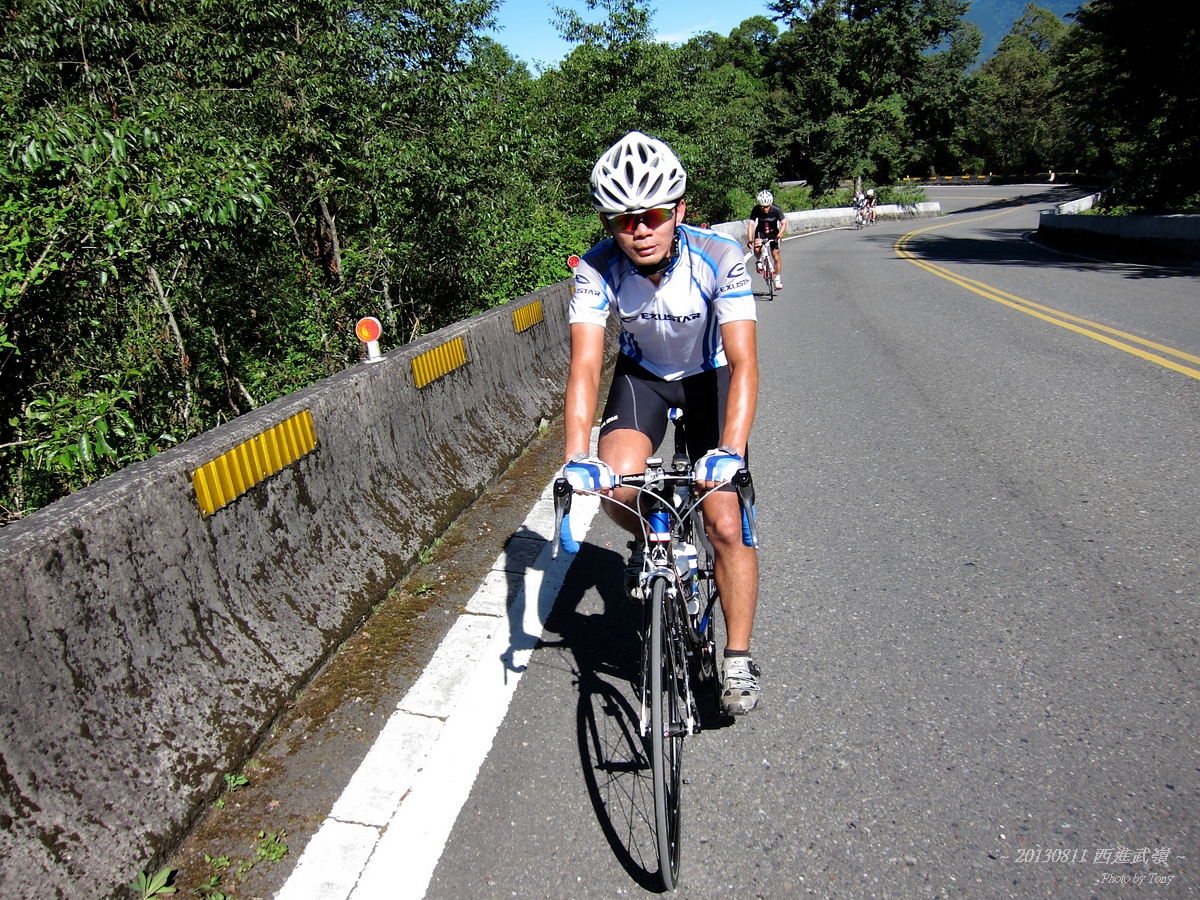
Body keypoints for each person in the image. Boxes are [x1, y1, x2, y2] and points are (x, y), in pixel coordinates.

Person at [562, 131, 763, 716]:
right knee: (618, 484)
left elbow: (744, 362)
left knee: (724, 521)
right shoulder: (596, 268)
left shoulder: (720, 256)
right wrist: (577, 455)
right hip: (644, 378)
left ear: (678, 211)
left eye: (652, 216)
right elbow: (585, 365)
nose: (640, 231)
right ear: (608, 224)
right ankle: (656, 542)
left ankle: (738, 658)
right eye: (623, 221)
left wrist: (730, 450)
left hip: (710, 376)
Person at [746, 189, 787, 291]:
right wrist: (750, 239)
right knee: (757, 246)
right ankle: (758, 261)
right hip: (761, 231)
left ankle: (777, 278)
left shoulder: (776, 210)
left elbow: (784, 223)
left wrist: (779, 235)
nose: (765, 209)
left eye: (767, 206)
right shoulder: (756, 209)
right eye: (762, 207)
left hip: (774, 233)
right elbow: (751, 224)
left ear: (771, 203)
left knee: (776, 255)